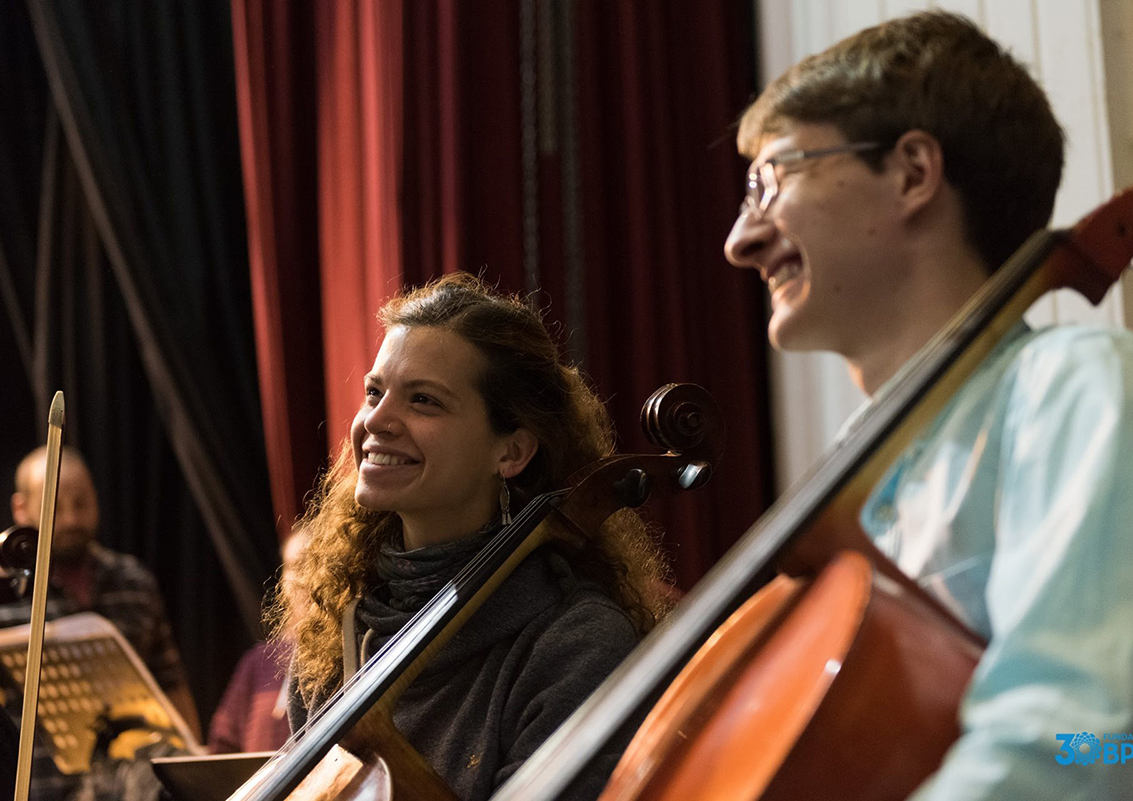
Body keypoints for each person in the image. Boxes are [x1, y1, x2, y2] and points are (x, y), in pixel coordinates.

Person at [723, 11, 1133, 800]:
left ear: (913, 172)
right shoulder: (856, 483)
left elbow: (1105, 741)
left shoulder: (1080, 389)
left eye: (771, 180)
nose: (741, 237)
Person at [277, 273, 669, 800]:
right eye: (375, 392)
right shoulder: (340, 627)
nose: (376, 420)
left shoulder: (573, 645)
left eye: (423, 401)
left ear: (511, 453)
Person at [7, 446, 202, 739]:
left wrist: (192, 756)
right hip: (37, 780)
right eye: (56, 508)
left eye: (81, 503)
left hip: (131, 776)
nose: (72, 520)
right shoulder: (7, 591)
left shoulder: (134, 581)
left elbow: (170, 683)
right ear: (22, 510)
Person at [208, 528, 308, 754]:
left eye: (313, 564)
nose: (302, 579)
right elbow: (222, 747)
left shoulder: (350, 654)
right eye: (294, 566)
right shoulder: (258, 662)